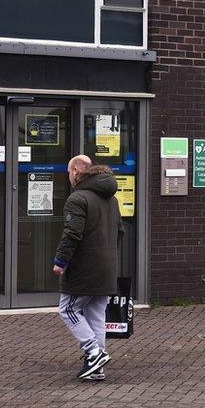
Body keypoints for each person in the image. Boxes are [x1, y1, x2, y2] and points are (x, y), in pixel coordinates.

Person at [53, 155, 123, 381]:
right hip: (107, 267)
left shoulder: (78, 198)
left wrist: (61, 260)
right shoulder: (111, 199)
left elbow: (72, 233)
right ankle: (97, 368)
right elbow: (120, 232)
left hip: (85, 268)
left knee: (68, 309)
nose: (69, 177)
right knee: (95, 315)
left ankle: (94, 352)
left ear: (75, 172)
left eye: (69, 173)